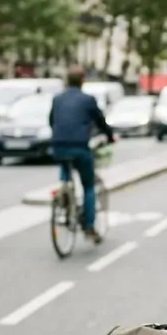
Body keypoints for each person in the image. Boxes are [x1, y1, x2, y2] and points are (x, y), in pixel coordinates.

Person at [49, 66, 116, 244]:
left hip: (59, 147)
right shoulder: (88, 100)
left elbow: (51, 121)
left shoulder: (57, 99)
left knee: (65, 166)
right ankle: (88, 225)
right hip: (79, 147)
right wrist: (110, 136)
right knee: (88, 186)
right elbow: (100, 121)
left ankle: (64, 191)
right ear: (83, 80)